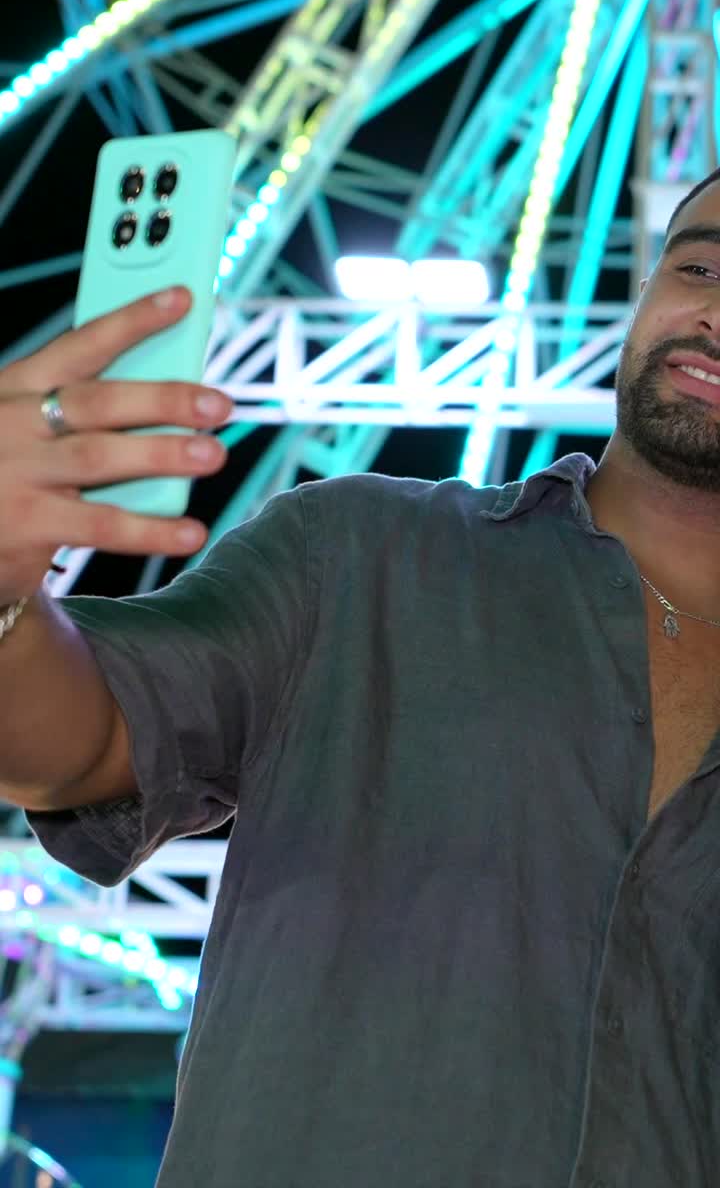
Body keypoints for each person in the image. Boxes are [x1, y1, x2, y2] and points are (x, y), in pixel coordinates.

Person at [2, 172, 720, 1188]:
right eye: (699, 268)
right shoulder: (357, 554)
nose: (716, 312)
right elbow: (85, 741)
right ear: (645, 293)